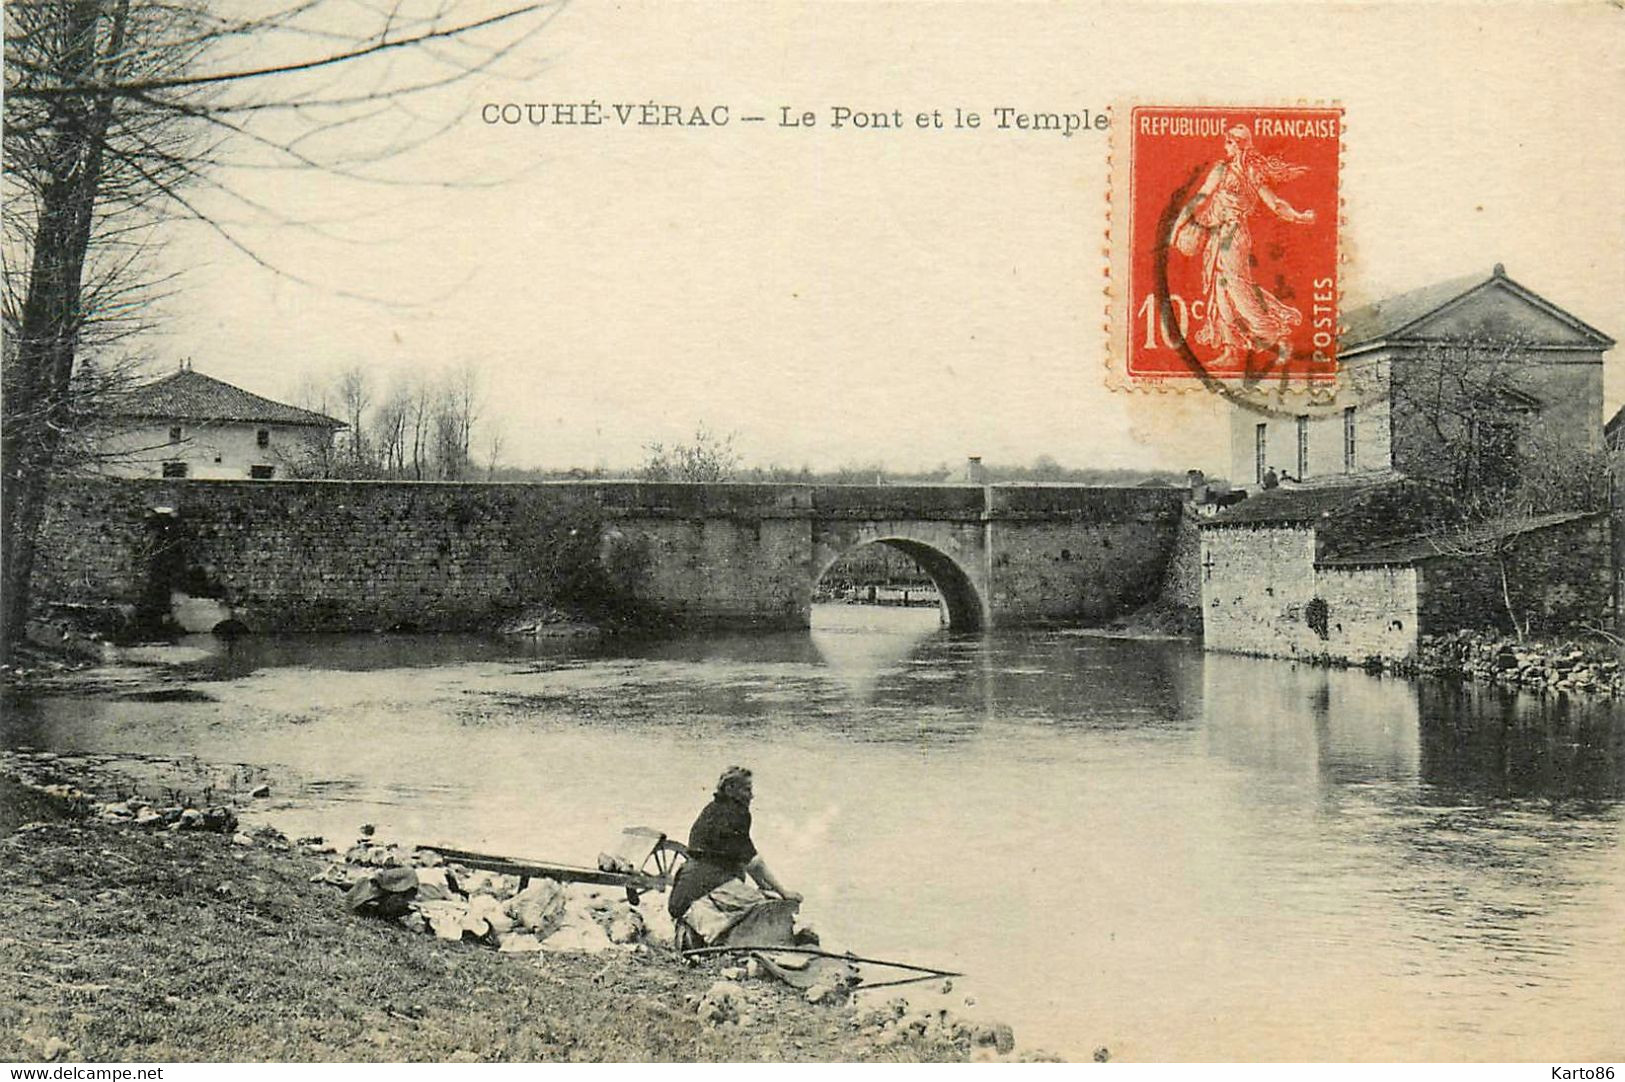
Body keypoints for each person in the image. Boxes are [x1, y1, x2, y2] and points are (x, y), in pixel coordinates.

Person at [1168, 125, 1317, 370]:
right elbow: (1200, 199)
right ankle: (1231, 349)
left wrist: (1299, 217)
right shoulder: (1222, 169)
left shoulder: (1249, 171)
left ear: (1237, 144)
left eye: (1228, 143)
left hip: (1234, 235)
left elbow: (1275, 203)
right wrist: (1176, 230)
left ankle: (1275, 340)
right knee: (1219, 291)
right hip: (1216, 234)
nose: (1224, 147)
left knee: (1238, 289)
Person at [669, 766, 800, 945]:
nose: (751, 795)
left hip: (684, 890)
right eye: (746, 789)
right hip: (709, 885)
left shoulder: (712, 808)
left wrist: (762, 885)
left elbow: (744, 855)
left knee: (756, 901)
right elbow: (754, 862)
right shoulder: (737, 813)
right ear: (730, 789)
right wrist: (784, 892)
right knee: (769, 909)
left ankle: (694, 933)